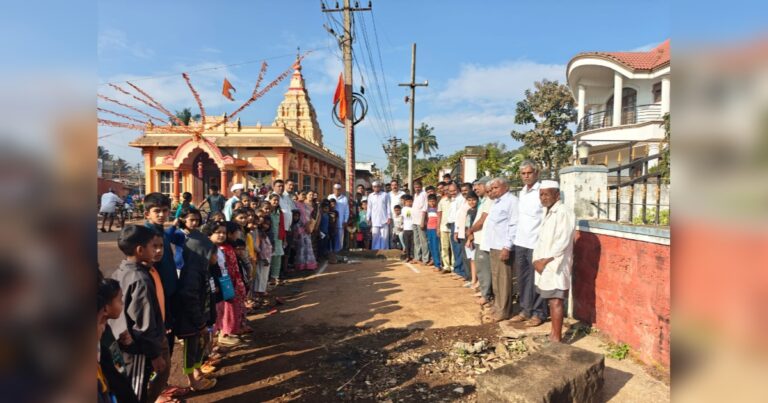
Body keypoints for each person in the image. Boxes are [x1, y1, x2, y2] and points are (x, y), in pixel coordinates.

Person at [111, 225, 168, 403]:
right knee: (136, 392)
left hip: (124, 344)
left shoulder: (121, 271)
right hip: (137, 350)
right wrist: (155, 355)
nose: (156, 250)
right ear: (140, 250)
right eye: (152, 246)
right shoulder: (140, 279)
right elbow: (144, 324)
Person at [174, 208, 218, 391]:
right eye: (213, 253)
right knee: (191, 349)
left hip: (200, 316)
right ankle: (192, 380)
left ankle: (198, 372)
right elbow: (189, 297)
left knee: (199, 346)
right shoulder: (192, 273)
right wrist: (199, 322)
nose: (216, 257)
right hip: (191, 319)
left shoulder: (202, 269)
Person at [532, 180, 575, 342]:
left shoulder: (563, 212)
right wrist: (537, 260)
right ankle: (553, 335)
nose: (543, 198)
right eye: (541, 195)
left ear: (557, 195)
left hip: (556, 264)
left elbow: (562, 241)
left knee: (556, 300)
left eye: (546, 194)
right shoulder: (548, 211)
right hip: (545, 264)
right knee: (551, 299)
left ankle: (556, 338)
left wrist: (544, 261)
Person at [509, 161, 547, 328]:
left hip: (536, 242)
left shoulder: (542, 191)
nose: (526, 176)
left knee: (536, 279)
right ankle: (525, 310)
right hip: (521, 241)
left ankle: (539, 313)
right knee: (523, 279)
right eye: (523, 173)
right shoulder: (522, 192)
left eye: (529, 173)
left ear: (536, 173)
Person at [98, 275, 140, 403]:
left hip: (123, 383)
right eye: (120, 300)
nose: (122, 303)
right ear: (105, 308)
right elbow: (109, 372)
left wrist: (120, 344)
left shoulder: (106, 328)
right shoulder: (99, 337)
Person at [485, 178, 519, 322]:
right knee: (496, 278)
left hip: (503, 246)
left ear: (506, 187)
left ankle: (504, 311)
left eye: (496, 188)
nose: (493, 191)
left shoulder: (512, 201)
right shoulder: (497, 202)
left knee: (504, 279)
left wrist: (507, 247)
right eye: (492, 188)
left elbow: (513, 225)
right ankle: (498, 306)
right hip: (494, 245)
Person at [468, 177, 494, 307]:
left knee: (484, 269)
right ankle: (485, 292)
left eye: (478, 186)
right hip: (479, 239)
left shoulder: (489, 201)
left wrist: (470, 230)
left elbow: (482, 220)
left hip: (484, 240)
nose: (475, 189)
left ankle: (486, 295)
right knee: (481, 267)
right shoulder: (482, 201)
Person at [448, 182, 469, 280]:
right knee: (455, 249)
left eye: (454, 190)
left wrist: (456, 229)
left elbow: (459, 216)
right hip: (453, 225)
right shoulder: (453, 199)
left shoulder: (461, 199)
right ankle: (458, 270)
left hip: (458, 226)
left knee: (459, 249)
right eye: (450, 191)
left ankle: (460, 271)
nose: (452, 192)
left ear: (458, 189)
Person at [366, 181, 391, 250]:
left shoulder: (385, 195)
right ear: (372, 187)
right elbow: (369, 208)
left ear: (380, 187)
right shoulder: (370, 196)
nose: (376, 188)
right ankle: (375, 251)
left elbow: (388, 206)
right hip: (375, 219)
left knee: (385, 237)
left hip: (384, 219)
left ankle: (384, 251)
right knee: (375, 237)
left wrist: (389, 217)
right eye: (374, 187)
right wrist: (368, 217)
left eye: (378, 186)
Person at [267, 193, 286, 286]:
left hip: (278, 238)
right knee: (268, 258)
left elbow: (282, 225)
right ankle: (267, 278)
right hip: (268, 238)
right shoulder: (267, 211)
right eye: (274, 200)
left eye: (277, 200)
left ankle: (275, 277)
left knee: (277, 258)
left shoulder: (279, 212)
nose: (276, 202)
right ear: (270, 200)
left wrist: (283, 238)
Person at [410, 180, 430, 265]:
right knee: (416, 240)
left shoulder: (424, 194)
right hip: (414, 220)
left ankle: (425, 258)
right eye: (415, 187)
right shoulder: (415, 195)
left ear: (421, 187)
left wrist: (422, 221)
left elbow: (425, 208)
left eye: (418, 187)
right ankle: (417, 257)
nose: (417, 189)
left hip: (420, 220)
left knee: (423, 240)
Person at [327, 184, 350, 252]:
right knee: (331, 237)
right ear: (333, 189)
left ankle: (339, 251)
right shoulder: (330, 197)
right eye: (335, 189)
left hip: (340, 222)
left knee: (340, 238)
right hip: (331, 222)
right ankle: (331, 251)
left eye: (338, 189)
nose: (337, 191)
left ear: (341, 190)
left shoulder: (344, 198)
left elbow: (346, 210)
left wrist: (345, 220)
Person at [437, 185, 453, 273]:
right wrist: (438, 228)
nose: (447, 191)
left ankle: (454, 266)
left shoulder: (456, 200)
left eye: (448, 190)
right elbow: (439, 215)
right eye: (445, 190)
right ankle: (446, 266)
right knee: (444, 248)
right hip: (443, 227)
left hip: (453, 228)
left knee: (453, 249)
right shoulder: (442, 201)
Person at [425, 194, 442, 272]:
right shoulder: (428, 209)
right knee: (431, 247)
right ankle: (435, 263)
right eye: (430, 201)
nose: (432, 203)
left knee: (435, 247)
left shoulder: (437, 209)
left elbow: (439, 219)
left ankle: (438, 265)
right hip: (429, 229)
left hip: (435, 229)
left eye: (433, 201)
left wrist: (438, 229)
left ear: (436, 201)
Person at [388, 180, 405, 247]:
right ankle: (392, 248)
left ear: (398, 185)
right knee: (392, 233)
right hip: (391, 217)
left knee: (400, 233)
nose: (394, 186)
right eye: (392, 185)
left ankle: (401, 248)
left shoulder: (402, 193)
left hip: (400, 217)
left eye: (395, 185)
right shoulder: (388, 194)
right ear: (391, 186)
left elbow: (404, 205)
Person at [401, 195, 415, 262]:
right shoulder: (404, 209)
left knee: (412, 244)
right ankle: (407, 256)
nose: (409, 203)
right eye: (407, 202)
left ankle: (412, 256)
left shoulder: (413, 208)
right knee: (407, 243)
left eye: (410, 201)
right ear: (405, 202)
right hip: (406, 228)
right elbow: (406, 216)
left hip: (413, 228)